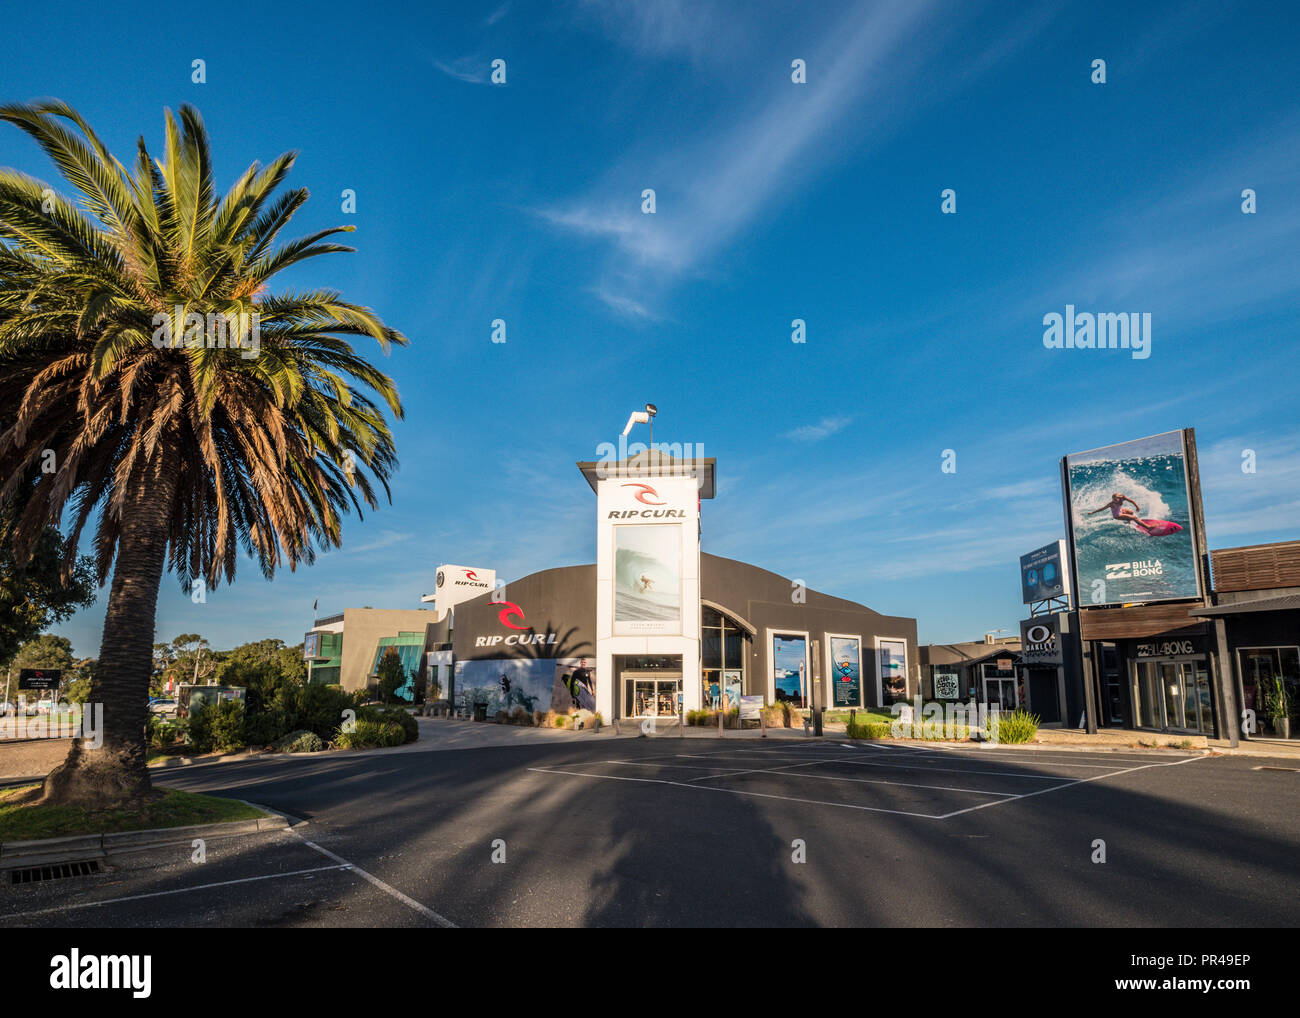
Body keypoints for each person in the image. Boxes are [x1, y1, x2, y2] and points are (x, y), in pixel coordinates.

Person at [1088, 492, 1154, 534]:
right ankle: (1148, 527)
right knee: (1134, 517)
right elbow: (1102, 509)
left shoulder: (1122, 498)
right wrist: (1092, 512)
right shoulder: (1111, 504)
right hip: (1117, 515)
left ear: (1119, 498)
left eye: (1115, 499)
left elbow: (1131, 501)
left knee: (1131, 512)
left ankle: (1129, 522)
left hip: (1120, 510)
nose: (1114, 500)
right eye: (1113, 499)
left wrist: (1137, 507)